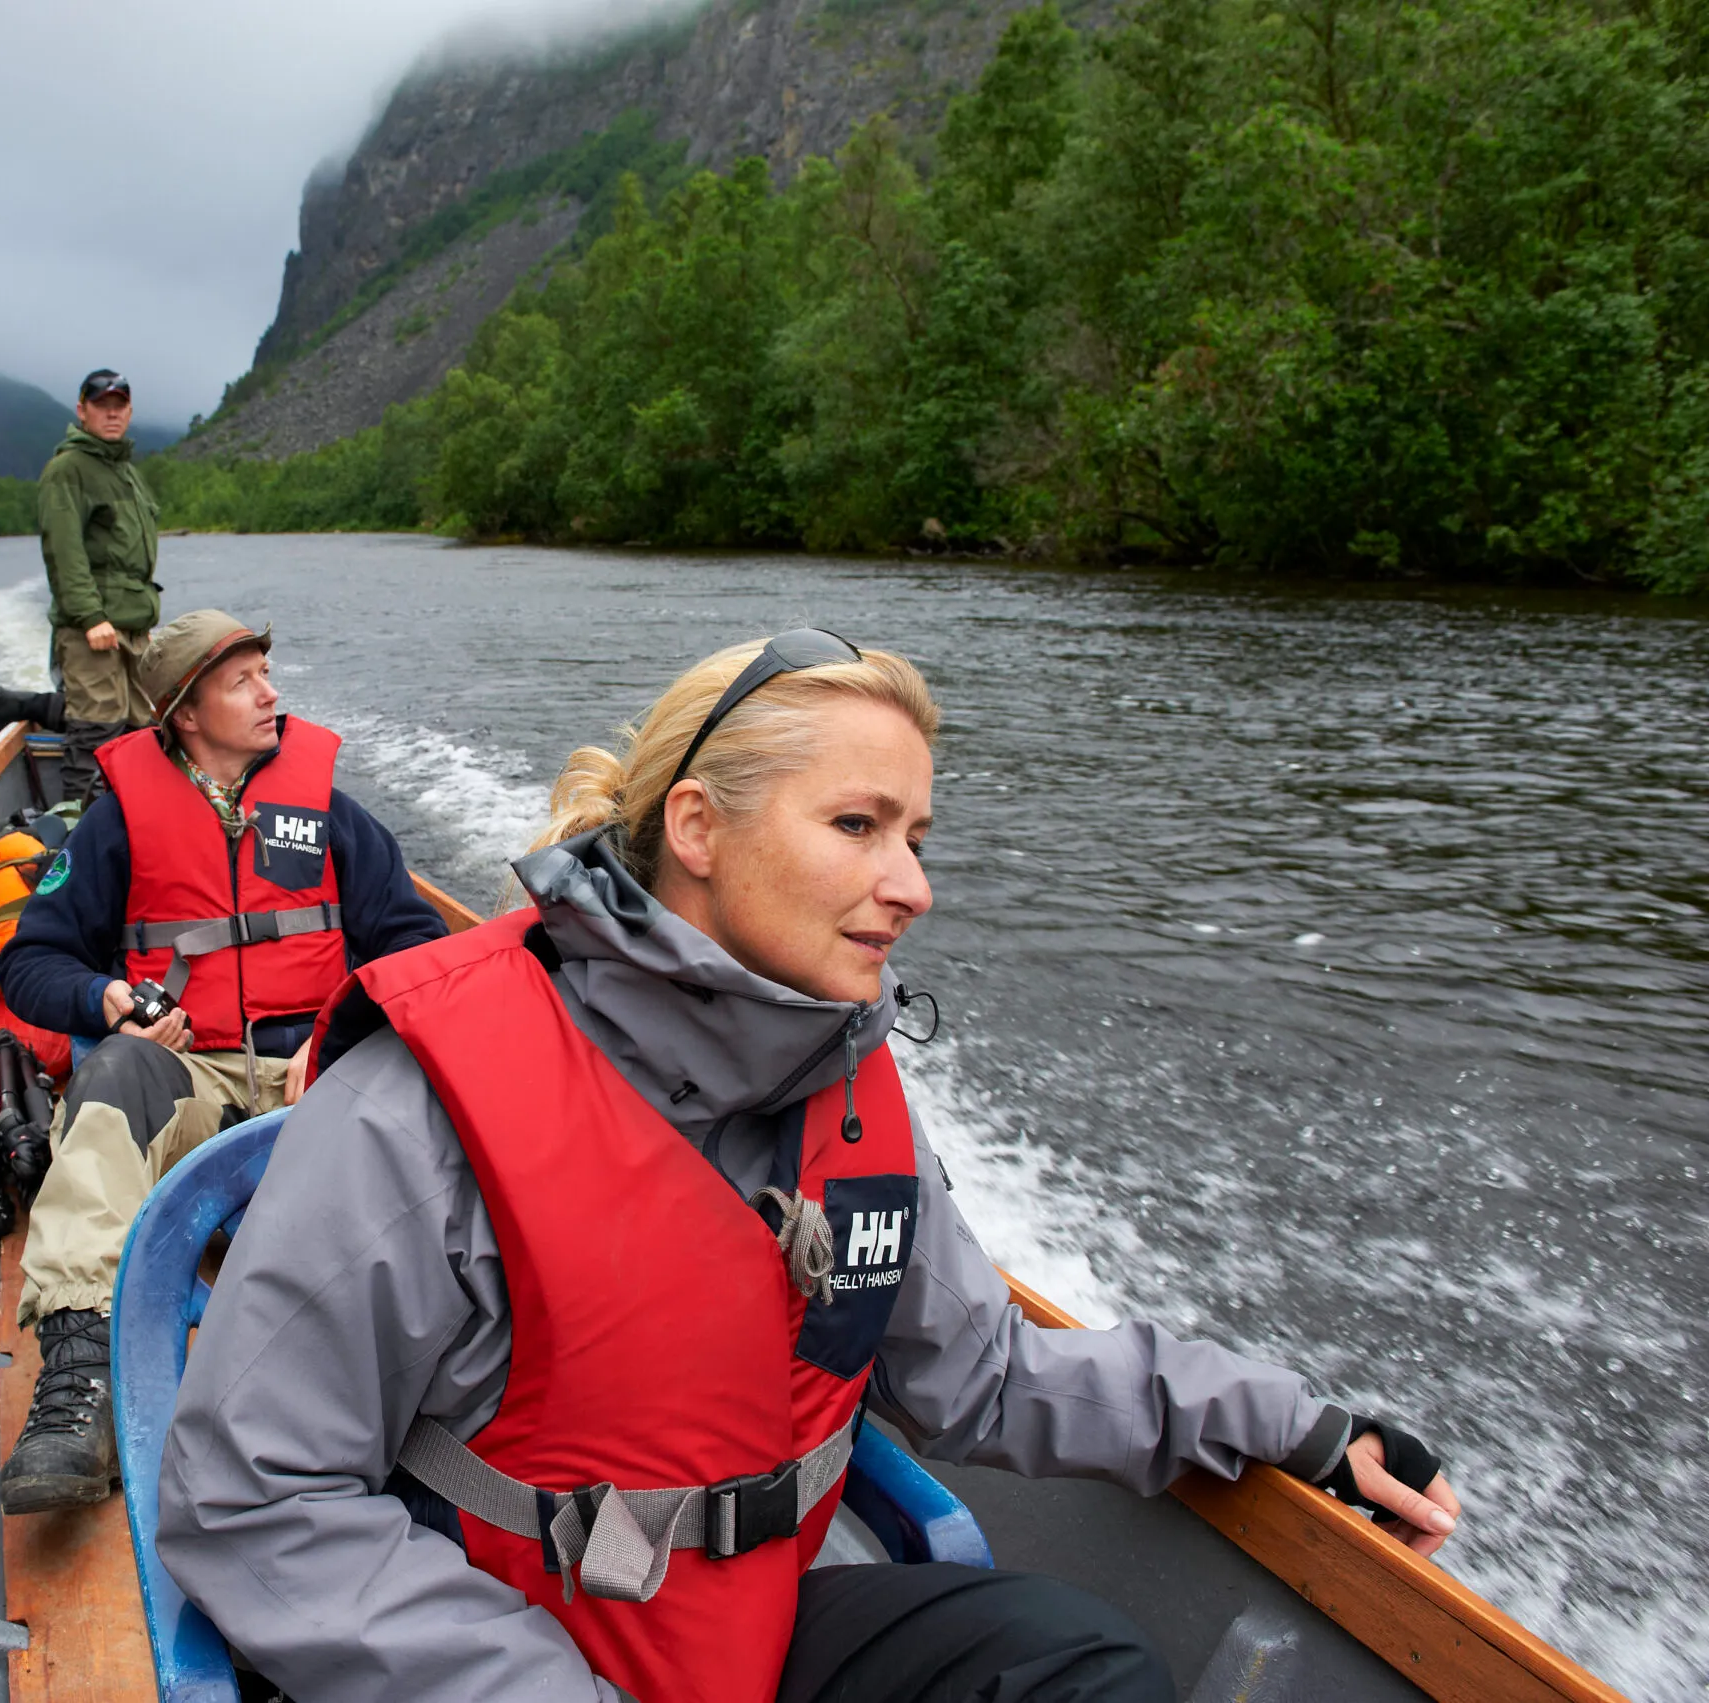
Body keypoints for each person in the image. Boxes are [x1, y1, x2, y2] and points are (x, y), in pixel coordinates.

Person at [156, 633, 1463, 1703]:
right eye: (858, 823)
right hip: (505, 1640)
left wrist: (1297, 1423)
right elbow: (252, 1495)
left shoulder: (848, 1088)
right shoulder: (417, 1108)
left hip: (765, 1619)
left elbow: (986, 1376)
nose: (911, 883)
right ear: (699, 828)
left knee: (1078, 1667)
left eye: (917, 834)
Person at [0, 609, 449, 1513]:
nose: (270, 693)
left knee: (429, 1095)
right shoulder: (116, 822)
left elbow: (416, 945)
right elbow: (30, 963)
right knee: (112, 1079)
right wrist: (106, 1000)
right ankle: (79, 1381)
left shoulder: (329, 815)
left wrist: (345, 1023)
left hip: (312, 1070)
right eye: (242, 681)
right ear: (186, 714)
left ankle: (430, 1376)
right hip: (190, 1070)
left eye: (267, 673)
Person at [0, 367, 160, 801]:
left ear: (130, 411)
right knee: (96, 727)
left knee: (140, 726)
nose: (112, 415)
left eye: (120, 406)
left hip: (131, 625)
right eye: (102, 406)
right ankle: (77, 836)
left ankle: (16, 705)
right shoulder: (68, 469)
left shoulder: (126, 471)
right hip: (93, 626)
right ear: (82, 410)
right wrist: (90, 616)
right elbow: (64, 551)